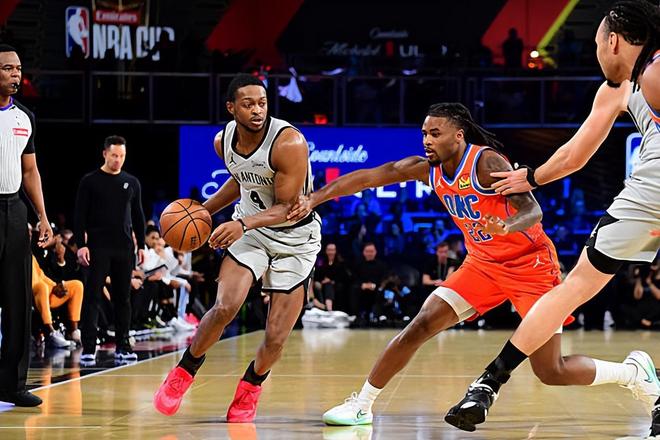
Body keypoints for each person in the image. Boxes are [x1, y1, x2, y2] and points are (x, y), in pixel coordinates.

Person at [286, 102, 657, 428]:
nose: (427, 140)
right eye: (424, 133)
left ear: (458, 136)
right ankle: (362, 405)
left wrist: (506, 225)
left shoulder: (486, 162)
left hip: (530, 266)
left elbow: (532, 210)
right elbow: (370, 177)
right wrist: (315, 198)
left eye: (435, 133)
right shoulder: (425, 169)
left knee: (550, 370)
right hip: (482, 264)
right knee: (419, 326)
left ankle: (632, 373)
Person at [445, 1, 660, 434]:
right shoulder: (617, 88)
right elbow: (575, 154)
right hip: (647, 194)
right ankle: (489, 382)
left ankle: (490, 381)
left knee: (573, 288)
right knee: (573, 286)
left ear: (613, 41)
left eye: (596, 44)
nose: (596, 54)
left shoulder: (654, 71)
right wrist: (533, 177)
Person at [153, 74, 321, 423]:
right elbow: (242, 178)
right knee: (225, 306)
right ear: (231, 108)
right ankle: (184, 370)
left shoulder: (289, 143)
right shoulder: (223, 141)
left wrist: (241, 224)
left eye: (262, 103)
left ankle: (250, 387)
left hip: (295, 238)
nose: (257, 110)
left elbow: (287, 207)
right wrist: (203, 212)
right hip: (253, 231)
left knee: (276, 337)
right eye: (248, 104)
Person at [0, 44, 52, 407]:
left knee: (19, 300)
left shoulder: (25, 117)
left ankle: (13, 385)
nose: (15, 74)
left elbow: (30, 171)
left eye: (18, 69)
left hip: (15, 210)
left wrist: (42, 216)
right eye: (7, 69)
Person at [74, 135, 146, 365]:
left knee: (123, 298)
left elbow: (138, 215)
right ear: (105, 154)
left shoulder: (132, 182)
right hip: (97, 247)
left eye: (122, 156)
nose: (118, 160)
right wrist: (81, 244)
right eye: (114, 155)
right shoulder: (90, 181)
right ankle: (88, 347)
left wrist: (142, 244)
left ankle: (123, 346)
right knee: (92, 297)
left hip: (124, 248)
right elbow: (79, 215)